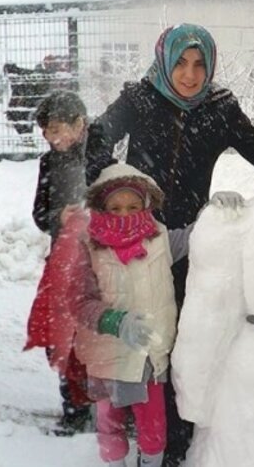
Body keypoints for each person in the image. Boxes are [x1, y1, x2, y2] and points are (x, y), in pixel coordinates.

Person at [84, 23, 254, 466]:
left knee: (176, 338)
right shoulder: (140, 99)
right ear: (165, 62)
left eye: (199, 65)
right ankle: (123, 416)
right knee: (125, 327)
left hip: (189, 242)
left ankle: (168, 439)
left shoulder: (221, 108)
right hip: (134, 234)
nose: (190, 75)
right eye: (181, 63)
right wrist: (104, 198)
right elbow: (96, 141)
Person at [74, 164, 177, 467]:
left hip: (149, 353)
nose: (124, 214)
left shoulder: (162, 239)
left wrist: (220, 214)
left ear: (145, 206)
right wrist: (114, 321)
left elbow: (202, 237)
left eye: (133, 206)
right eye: (115, 207)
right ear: (102, 208)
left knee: (153, 423)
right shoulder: (89, 246)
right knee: (109, 421)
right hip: (108, 353)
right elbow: (80, 301)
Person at [29, 90, 94, 435]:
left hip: (100, 260)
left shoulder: (101, 153)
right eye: (46, 133)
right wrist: (60, 216)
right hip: (63, 260)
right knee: (62, 336)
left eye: (57, 130)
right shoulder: (48, 162)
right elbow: (39, 214)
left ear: (79, 124)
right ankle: (73, 407)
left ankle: (106, 406)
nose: (52, 140)